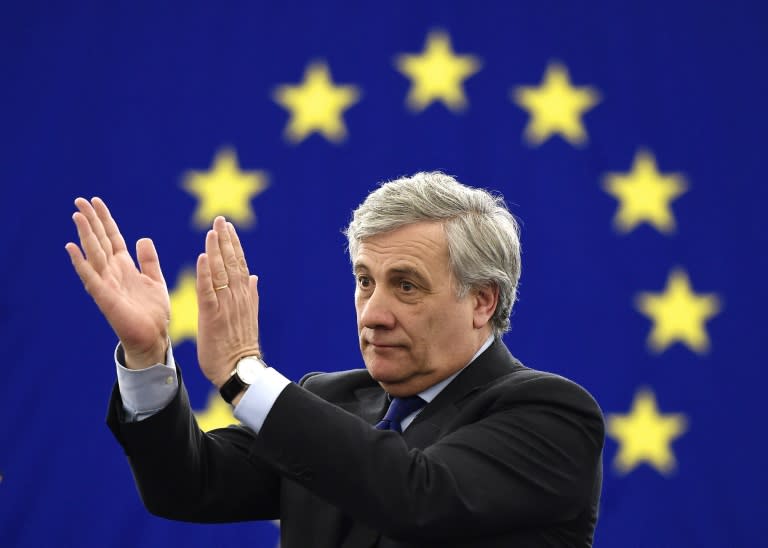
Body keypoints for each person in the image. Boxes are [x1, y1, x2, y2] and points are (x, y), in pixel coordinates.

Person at [66, 171, 604, 547]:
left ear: (482, 301)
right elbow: (186, 486)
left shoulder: (549, 414)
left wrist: (244, 375)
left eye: (407, 286)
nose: (373, 314)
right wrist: (146, 356)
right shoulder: (330, 400)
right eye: (365, 282)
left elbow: (416, 497)